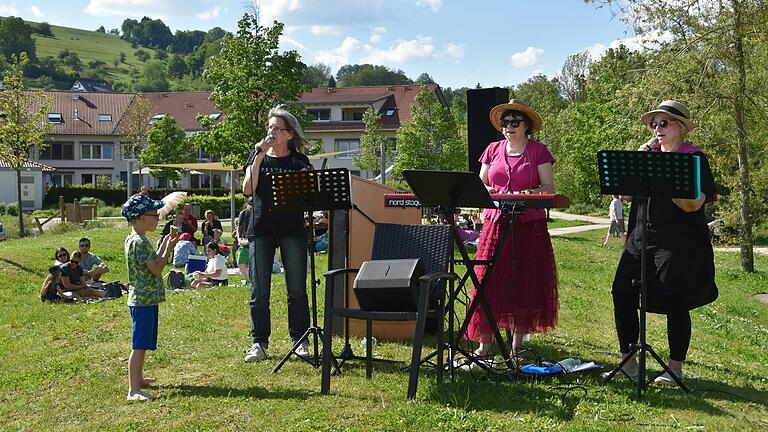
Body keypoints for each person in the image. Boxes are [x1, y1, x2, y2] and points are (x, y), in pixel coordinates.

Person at [604, 100, 718, 387]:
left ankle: (675, 368)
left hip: (678, 241)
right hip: (640, 237)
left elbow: (694, 206)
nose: (657, 129)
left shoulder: (694, 158)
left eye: (664, 123)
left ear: (681, 127)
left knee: (674, 297)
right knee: (621, 291)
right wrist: (633, 169)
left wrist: (666, 179)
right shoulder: (648, 155)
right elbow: (627, 197)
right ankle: (629, 360)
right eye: (653, 124)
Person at [465, 99, 559, 360]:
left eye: (514, 122)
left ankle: (517, 348)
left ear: (527, 126)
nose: (508, 127)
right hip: (495, 223)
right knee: (487, 281)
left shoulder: (539, 151)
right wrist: (490, 191)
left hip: (529, 226)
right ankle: (484, 346)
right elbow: (480, 183)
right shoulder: (492, 150)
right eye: (505, 123)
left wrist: (528, 193)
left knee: (524, 283)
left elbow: (548, 187)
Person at [241, 106, 312, 362]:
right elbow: (248, 190)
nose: (271, 132)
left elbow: (310, 194)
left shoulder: (299, 161)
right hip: (261, 229)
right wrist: (258, 156)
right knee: (259, 289)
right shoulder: (258, 156)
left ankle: (300, 341)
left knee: (296, 289)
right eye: (269, 127)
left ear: (290, 134)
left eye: (277, 128)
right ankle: (259, 342)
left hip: (292, 229)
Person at [121, 193, 179, 401]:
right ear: (142, 218)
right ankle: (133, 390)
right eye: (155, 215)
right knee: (139, 345)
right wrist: (169, 248)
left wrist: (165, 244)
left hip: (142, 299)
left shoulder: (134, 238)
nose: (158, 218)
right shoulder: (141, 242)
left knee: (143, 343)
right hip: (143, 301)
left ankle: (139, 378)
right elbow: (156, 268)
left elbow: (153, 259)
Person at [234, 208, 251, 285]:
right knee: (240, 263)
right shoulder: (243, 213)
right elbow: (239, 228)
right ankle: (249, 280)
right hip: (244, 243)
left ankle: (250, 280)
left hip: (253, 242)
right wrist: (239, 239)